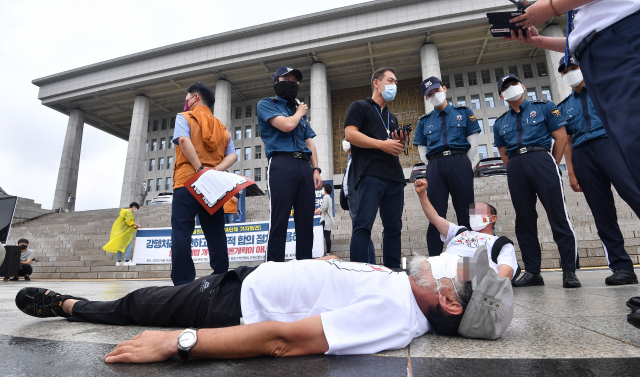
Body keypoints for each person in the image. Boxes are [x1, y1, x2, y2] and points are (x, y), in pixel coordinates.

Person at [14, 249, 514, 363]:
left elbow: (285, 340)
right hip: (247, 281)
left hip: (230, 304)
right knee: (147, 301)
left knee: (140, 305)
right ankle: (79, 307)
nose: (446, 266)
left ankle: (69, 307)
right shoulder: (403, 286)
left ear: (449, 304)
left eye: (455, 275)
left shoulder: (395, 317)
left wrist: (179, 344)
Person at [504, 0, 640, 188]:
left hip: (620, 39)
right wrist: (538, 41)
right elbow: (579, 40)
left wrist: (551, 7)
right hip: (595, 53)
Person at [557, 56, 640, 286]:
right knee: (602, 213)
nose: (571, 73)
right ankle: (622, 267)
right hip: (584, 156)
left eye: (574, 67)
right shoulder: (564, 107)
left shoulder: (603, 90)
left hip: (611, 146)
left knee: (635, 195)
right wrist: (571, 172)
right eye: (566, 71)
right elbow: (568, 142)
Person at [493, 74, 580, 289]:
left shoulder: (544, 107)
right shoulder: (500, 122)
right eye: (506, 87)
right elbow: (503, 153)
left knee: (558, 215)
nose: (511, 88)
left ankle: (569, 270)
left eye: (514, 84)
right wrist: (515, 166)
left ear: (522, 86)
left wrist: (551, 162)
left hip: (542, 159)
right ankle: (533, 272)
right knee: (524, 219)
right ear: (501, 96)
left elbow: (560, 137)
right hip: (516, 165)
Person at [171, 81, 237, 285]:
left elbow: (183, 140)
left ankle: (183, 283)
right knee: (216, 232)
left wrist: (199, 169)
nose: (186, 101)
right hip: (212, 187)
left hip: (187, 182)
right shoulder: (222, 128)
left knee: (182, 231)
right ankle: (220, 277)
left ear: (195, 98)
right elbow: (233, 155)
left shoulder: (184, 117)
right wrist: (214, 171)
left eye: (187, 98)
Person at [344, 67, 409, 268]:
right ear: (377, 83)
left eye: (396, 82)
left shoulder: (392, 117)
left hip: (394, 177)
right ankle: (359, 273)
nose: (394, 85)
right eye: (390, 80)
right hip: (370, 174)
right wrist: (382, 144)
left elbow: (392, 147)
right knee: (363, 225)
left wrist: (399, 143)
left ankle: (392, 271)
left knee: (394, 228)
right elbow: (350, 135)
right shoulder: (360, 107)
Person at [257, 66, 322, 262]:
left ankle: (304, 265)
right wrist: (300, 112)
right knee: (280, 218)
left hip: (304, 165)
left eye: (294, 80)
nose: (291, 83)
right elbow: (287, 125)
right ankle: (274, 267)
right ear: (277, 82)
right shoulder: (267, 104)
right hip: (282, 163)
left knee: (305, 220)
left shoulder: (297, 110)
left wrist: (316, 168)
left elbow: (309, 141)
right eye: (287, 79)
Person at [413, 77, 481, 256]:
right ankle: (435, 264)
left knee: (466, 213)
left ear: (444, 88)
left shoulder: (464, 112)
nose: (434, 95)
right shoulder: (424, 121)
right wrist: (434, 165)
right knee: (435, 215)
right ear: (427, 98)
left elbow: (473, 145)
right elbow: (422, 151)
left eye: (437, 90)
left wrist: (463, 163)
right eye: (430, 94)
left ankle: (469, 263)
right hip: (435, 165)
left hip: (460, 162)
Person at [414, 179, 518, 280]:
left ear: (493, 218)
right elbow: (435, 218)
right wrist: (422, 193)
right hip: (441, 268)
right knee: (420, 264)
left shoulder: (501, 244)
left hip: (467, 275)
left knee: (465, 265)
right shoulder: (459, 232)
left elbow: (506, 273)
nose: (474, 216)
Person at [341, 140, 375, 263]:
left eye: (347, 139)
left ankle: (367, 263)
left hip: (358, 200)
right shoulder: (350, 160)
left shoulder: (359, 159)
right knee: (361, 233)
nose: (345, 142)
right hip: (351, 200)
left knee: (362, 233)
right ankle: (367, 262)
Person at [104, 203, 141, 267]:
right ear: (134, 207)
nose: (136, 210)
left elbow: (126, 224)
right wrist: (137, 225)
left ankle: (119, 261)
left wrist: (134, 227)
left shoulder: (124, 212)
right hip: (127, 233)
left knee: (120, 246)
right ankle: (127, 261)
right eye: (136, 208)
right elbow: (129, 222)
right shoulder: (129, 212)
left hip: (122, 232)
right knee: (128, 246)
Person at [315, 184, 334, 255]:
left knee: (327, 236)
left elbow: (324, 207)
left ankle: (328, 252)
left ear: (325, 189)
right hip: (328, 219)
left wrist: (319, 211)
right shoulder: (328, 197)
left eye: (323, 188)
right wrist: (317, 211)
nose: (322, 189)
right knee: (327, 236)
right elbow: (323, 207)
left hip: (326, 220)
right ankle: (328, 251)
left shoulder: (326, 197)